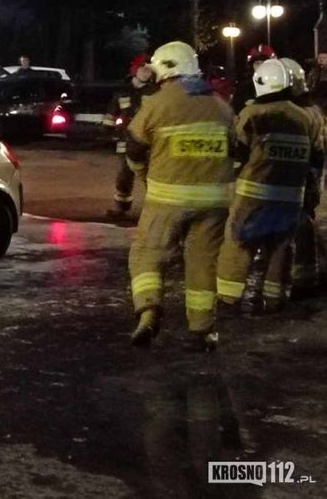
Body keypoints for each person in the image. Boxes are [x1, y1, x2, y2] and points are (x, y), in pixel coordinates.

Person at [125, 41, 234, 351]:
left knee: (147, 253)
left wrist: (143, 175)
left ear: (164, 69)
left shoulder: (158, 104)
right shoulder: (222, 106)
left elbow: (133, 148)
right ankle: (202, 330)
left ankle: (148, 311)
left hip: (167, 201)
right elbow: (237, 149)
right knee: (203, 262)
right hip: (215, 202)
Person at [215, 58, 322, 314]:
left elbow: (235, 152)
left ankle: (229, 298)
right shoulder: (307, 117)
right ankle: (275, 299)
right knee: (280, 248)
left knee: (238, 244)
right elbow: (316, 160)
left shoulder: (254, 113)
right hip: (291, 200)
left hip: (253, 197)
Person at [280, 58, 325, 298]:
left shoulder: (303, 112)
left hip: (300, 177)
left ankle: (304, 277)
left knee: (300, 223)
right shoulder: (308, 110)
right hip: (304, 175)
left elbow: (315, 150)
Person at [104, 55, 156, 220]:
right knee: (124, 176)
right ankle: (121, 208)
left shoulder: (155, 92)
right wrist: (108, 132)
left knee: (150, 176)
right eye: (143, 69)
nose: (147, 73)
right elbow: (111, 114)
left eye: (149, 70)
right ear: (134, 70)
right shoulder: (122, 92)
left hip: (148, 141)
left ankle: (153, 211)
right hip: (125, 140)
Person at [232, 44, 276, 111]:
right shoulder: (243, 89)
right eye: (257, 63)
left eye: (264, 63)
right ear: (251, 66)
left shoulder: (280, 85)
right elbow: (236, 111)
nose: (261, 66)